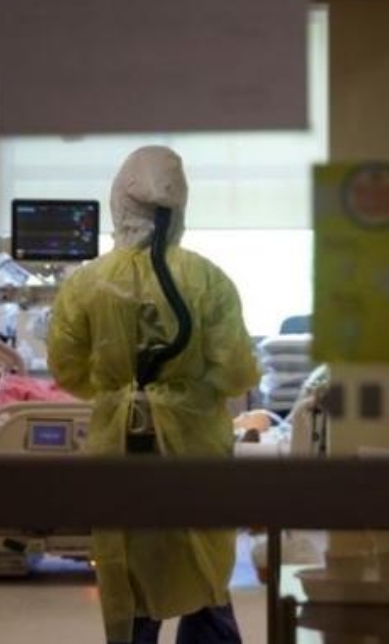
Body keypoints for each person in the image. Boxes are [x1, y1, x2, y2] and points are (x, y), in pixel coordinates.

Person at [47, 145, 261, 644]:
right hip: (195, 445)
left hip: (120, 445)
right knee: (203, 566)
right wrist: (184, 397)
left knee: (130, 570)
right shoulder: (207, 279)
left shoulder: (87, 283)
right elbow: (235, 372)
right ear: (178, 205)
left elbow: (68, 370)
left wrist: (119, 391)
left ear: (120, 203)